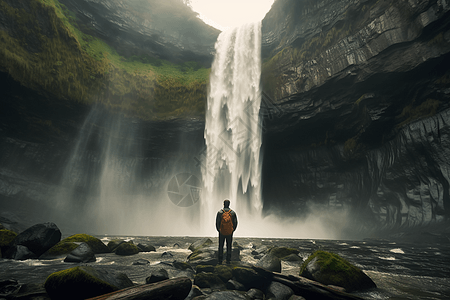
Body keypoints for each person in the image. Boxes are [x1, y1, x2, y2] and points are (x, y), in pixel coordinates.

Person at [216, 199, 238, 264]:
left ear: (223, 204)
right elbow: (235, 223)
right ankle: (228, 259)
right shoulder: (233, 213)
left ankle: (220, 260)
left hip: (221, 232)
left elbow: (217, 223)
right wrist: (232, 230)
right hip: (229, 232)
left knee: (221, 246)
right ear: (229, 204)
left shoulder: (220, 212)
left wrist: (219, 230)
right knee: (229, 245)